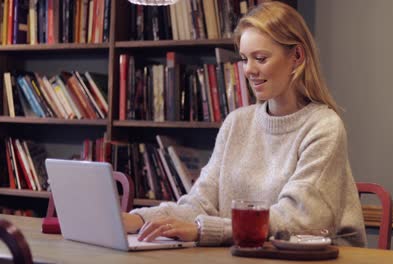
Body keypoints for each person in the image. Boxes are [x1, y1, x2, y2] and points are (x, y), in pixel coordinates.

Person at [123, 1, 366, 247]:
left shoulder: (324, 126)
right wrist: (137, 219)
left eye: (260, 58)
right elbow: (200, 203)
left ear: (297, 56)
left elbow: (295, 219)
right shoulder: (237, 123)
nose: (249, 70)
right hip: (247, 253)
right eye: (244, 59)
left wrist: (202, 229)